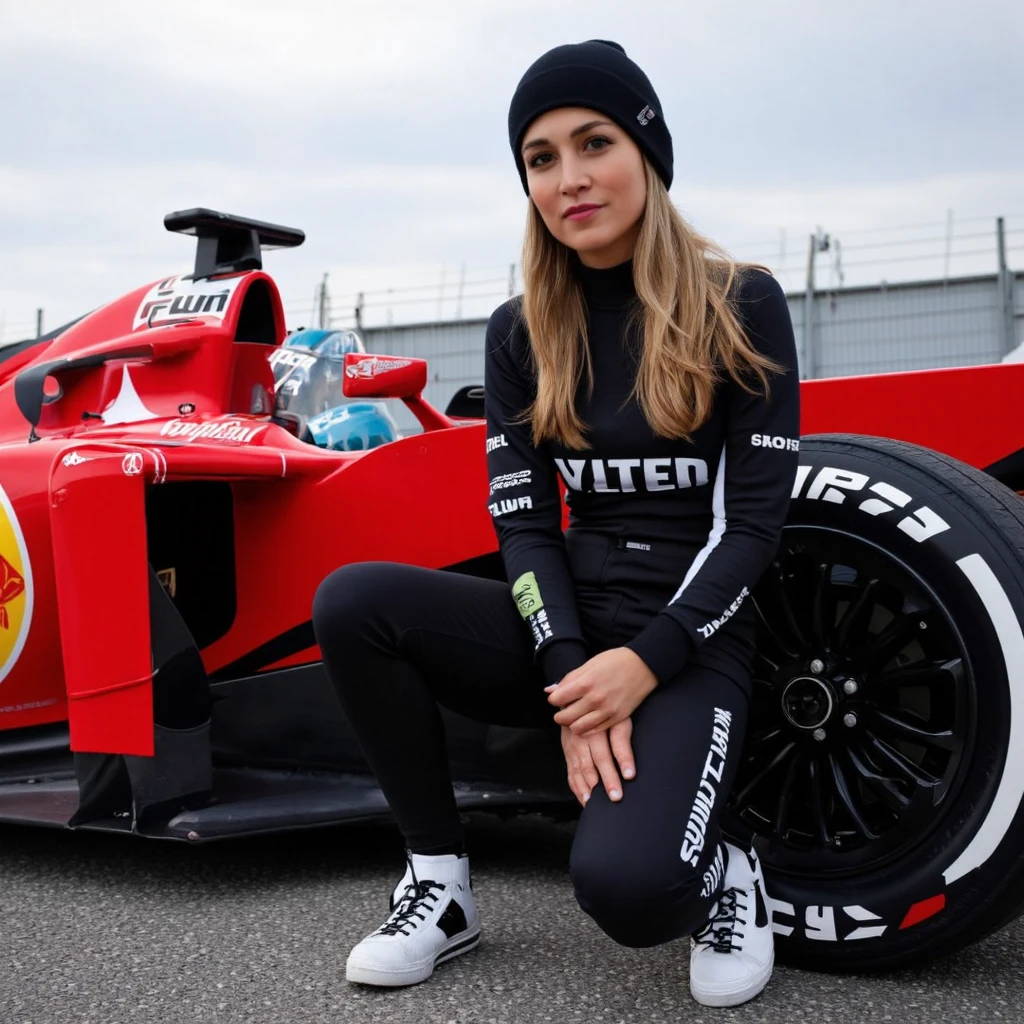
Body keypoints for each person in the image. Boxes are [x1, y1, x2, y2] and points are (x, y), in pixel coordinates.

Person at [312, 39, 800, 1009]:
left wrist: (643, 661)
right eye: (541, 158)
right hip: (571, 632)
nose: (570, 178)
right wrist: (568, 672)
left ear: (646, 152)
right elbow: (525, 528)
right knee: (354, 602)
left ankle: (728, 866)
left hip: (691, 643)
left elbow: (751, 527)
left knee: (629, 892)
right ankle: (439, 882)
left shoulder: (739, 302)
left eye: (593, 143)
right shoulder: (518, 331)